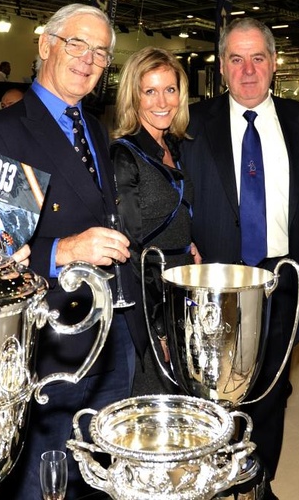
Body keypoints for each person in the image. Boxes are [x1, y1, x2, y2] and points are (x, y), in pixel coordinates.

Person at [0, 4, 137, 500]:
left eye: (101, 53)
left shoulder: (97, 129)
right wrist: (60, 249)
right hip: (46, 340)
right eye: (76, 44)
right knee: (46, 477)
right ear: (45, 45)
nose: (88, 60)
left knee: (102, 469)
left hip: (108, 331)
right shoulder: (0, 131)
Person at [181, 17, 299, 499]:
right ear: (222, 67)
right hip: (215, 282)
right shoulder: (191, 123)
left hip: (282, 279)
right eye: (236, 60)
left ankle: (257, 485)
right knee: (212, 393)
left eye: (258, 58)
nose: (248, 70)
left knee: (271, 390)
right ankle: (214, 486)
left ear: (274, 63)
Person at [109, 46, 201, 395]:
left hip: (181, 288)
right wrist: (158, 327)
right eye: (150, 91)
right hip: (150, 300)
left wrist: (186, 242)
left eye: (170, 89)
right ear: (134, 97)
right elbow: (130, 250)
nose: (162, 101)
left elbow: (165, 214)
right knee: (154, 407)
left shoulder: (172, 147)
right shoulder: (124, 154)